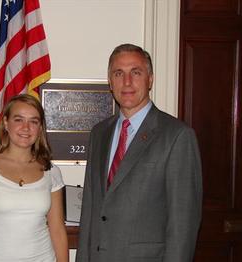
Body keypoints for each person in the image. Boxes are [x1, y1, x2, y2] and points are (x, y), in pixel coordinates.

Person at [76, 44, 202, 262]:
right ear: (110, 81)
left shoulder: (177, 136)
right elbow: (89, 211)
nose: (127, 82)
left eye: (136, 72)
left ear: (150, 79)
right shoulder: (99, 134)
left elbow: (183, 224)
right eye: (118, 73)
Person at [0, 94, 69, 262]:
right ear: (6, 123)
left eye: (33, 121)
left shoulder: (51, 171)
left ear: (40, 127)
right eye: (18, 120)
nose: (26, 128)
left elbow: (57, 230)